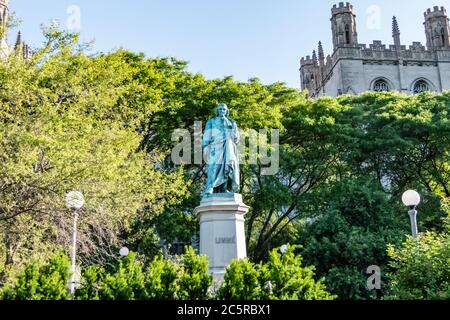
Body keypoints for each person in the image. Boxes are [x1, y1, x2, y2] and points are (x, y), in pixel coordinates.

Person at [202, 103, 240, 196]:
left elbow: (236, 138)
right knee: (214, 167)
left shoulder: (231, 122)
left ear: (227, 111)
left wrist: (234, 132)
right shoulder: (211, 122)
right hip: (216, 146)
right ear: (217, 111)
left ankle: (224, 188)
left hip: (229, 147)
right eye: (220, 109)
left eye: (224, 109)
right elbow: (206, 136)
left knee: (228, 166)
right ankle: (210, 188)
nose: (222, 111)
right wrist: (206, 147)